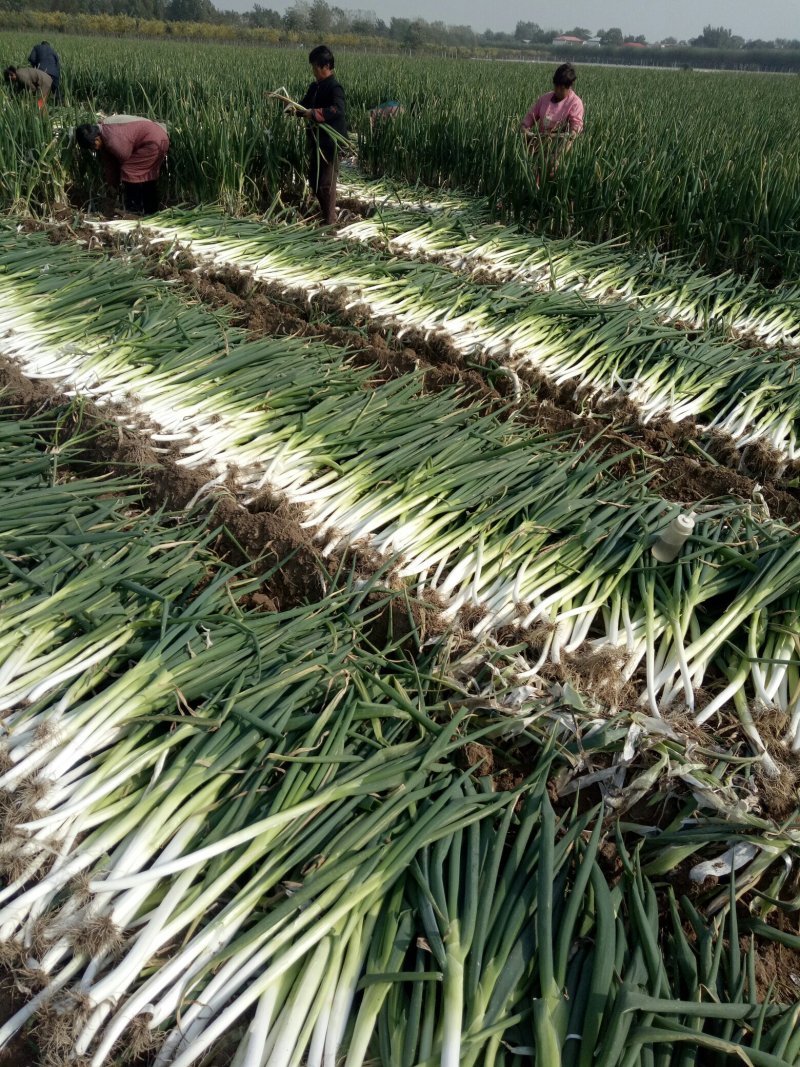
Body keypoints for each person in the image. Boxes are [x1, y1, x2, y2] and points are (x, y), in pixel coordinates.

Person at [290, 45, 347, 225]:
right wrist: (293, 109)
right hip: (316, 141)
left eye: (315, 67)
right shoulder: (315, 87)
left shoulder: (334, 87)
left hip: (330, 143)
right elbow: (304, 106)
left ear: (325, 66)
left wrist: (314, 114)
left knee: (325, 184)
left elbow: (337, 110)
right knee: (314, 181)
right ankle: (326, 215)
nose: (313, 71)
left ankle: (330, 223)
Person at [75, 118, 169, 215]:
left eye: (93, 146)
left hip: (153, 141)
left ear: (97, 138)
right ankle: (150, 211)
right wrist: (112, 183)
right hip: (157, 136)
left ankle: (134, 211)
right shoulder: (104, 131)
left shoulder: (112, 140)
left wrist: (118, 182)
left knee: (129, 171)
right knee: (146, 175)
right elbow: (109, 163)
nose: (94, 149)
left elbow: (122, 159)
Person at [521, 63, 584, 178]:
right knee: (533, 170)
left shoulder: (575, 103)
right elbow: (529, 118)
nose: (558, 91)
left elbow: (575, 129)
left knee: (552, 170)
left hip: (561, 147)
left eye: (562, 88)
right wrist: (526, 129)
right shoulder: (545, 98)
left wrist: (561, 136)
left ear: (569, 87)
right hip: (540, 143)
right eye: (556, 87)